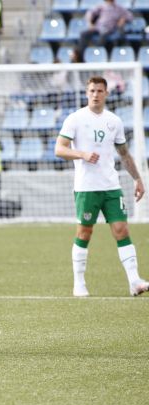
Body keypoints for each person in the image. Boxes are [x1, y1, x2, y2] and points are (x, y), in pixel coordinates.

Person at [55, 76, 149, 298]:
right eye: (92, 91)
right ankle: (79, 284)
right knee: (84, 232)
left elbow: (124, 153)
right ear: (86, 93)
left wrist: (137, 179)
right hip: (86, 188)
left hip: (111, 186)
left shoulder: (114, 121)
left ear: (106, 93)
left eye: (99, 91)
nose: (95, 94)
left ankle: (134, 281)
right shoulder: (75, 119)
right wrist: (82, 154)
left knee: (122, 230)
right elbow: (59, 149)